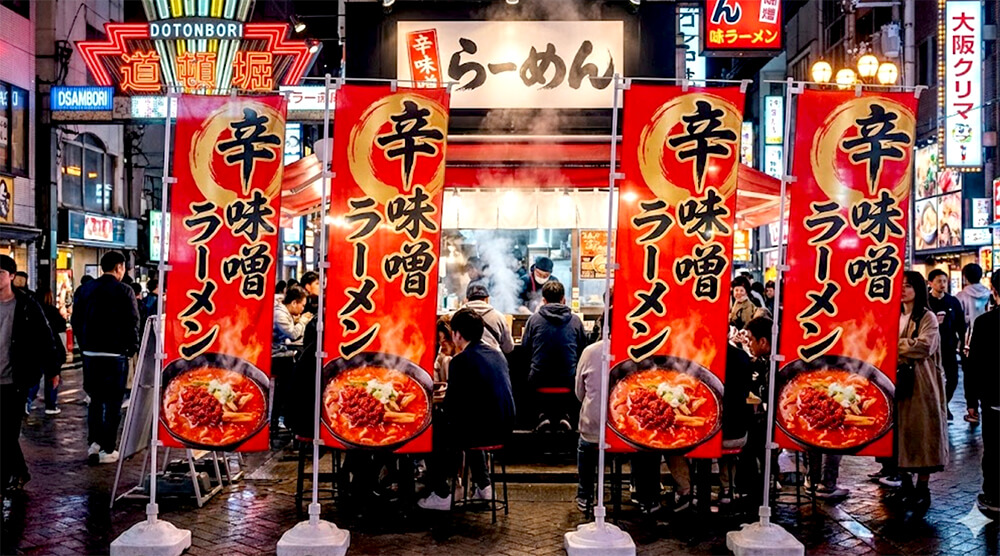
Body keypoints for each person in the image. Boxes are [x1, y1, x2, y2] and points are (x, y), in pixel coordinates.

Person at [418, 308, 515, 510]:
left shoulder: (461, 361)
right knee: (471, 424)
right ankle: (484, 487)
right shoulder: (498, 355)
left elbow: (451, 406)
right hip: (504, 429)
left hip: (481, 432)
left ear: (457, 334)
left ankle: (442, 493)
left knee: (430, 430)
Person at [71, 251, 140, 465]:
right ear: (119, 267)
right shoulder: (125, 290)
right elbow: (133, 322)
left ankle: (94, 443)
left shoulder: (85, 289)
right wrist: (131, 348)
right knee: (113, 405)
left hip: (91, 355)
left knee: (95, 401)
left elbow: (75, 320)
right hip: (114, 356)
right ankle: (108, 448)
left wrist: (84, 346)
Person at [892, 270, 949, 509]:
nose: (903, 290)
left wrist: (894, 344)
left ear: (918, 289)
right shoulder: (894, 314)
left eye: (908, 286)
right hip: (895, 382)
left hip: (921, 384)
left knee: (922, 433)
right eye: (900, 285)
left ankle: (922, 489)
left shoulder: (927, 317)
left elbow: (924, 346)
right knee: (899, 435)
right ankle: (905, 485)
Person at [1, 255, 58, 491]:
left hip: (16, 379)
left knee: (8, 432)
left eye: (1, 273)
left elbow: (45, 338)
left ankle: (6, 478)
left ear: (12, 276)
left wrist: (53, 369)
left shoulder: (26, 305)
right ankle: (20, 472)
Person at [521, 281, 587, 431]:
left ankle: (542, 416)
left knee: (528, 374)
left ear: (543, 300)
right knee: (575, 373)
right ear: (564, 299)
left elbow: (525, 350)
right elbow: (583, 350)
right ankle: (565, 416)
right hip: (568, 379)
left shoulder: (534, 320)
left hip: (539, 379)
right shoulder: (575, 321)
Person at [574, 304, 611, 514]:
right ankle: (645, 497)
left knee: (585, 446)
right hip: (627, 430)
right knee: (642, 451)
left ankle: (585, 494)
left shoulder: (589, 352)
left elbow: (579, 392)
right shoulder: (636, 350)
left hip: (594, 425)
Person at [967, 270, 998, 513]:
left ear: (994, 292)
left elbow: (974, 364)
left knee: (995, 449)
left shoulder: (985, 323)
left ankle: (994, 497)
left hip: (995, 398)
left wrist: (971, 401)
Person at [955, 263, 991, 424]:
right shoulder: (989, 293)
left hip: (968, 340)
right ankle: (987, 404)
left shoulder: (961, 296)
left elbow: (959, 321)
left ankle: (972, 409)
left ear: (965, 277)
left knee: (969, 374)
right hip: (989, 337)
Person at [926, 269, 965, 418]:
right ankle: (936, 407)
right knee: (932, 379)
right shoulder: (925, 302)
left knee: (953, 378)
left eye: (944, 281)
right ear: (930, 283)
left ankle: (943, 404)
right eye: (939, 281)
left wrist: (962, 342)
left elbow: (960, 324)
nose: (942, 284)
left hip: (948, 346)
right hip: (930, 348)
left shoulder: (952, 301)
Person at [27, 286, 67, 415]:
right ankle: (51, 405)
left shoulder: (30, 309)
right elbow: (61, 326)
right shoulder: (51, 310)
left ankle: (28, 400)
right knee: (52, 375)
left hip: (34, 347)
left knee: (35, 377)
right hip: (51, 346)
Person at [461, 284, 514, 354]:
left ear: (467, 299)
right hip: (492, 358)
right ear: (487, 299)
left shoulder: (457, 316)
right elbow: (508, 348)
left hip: (465, 358)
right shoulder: (498, 317)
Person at [273, 285, 312, 349]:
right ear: (294, 303)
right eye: (303, 306)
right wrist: (302, 321)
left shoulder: (286, 313)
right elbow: (293, 335)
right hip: (275, 352)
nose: (303, 309)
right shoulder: (280, 315)